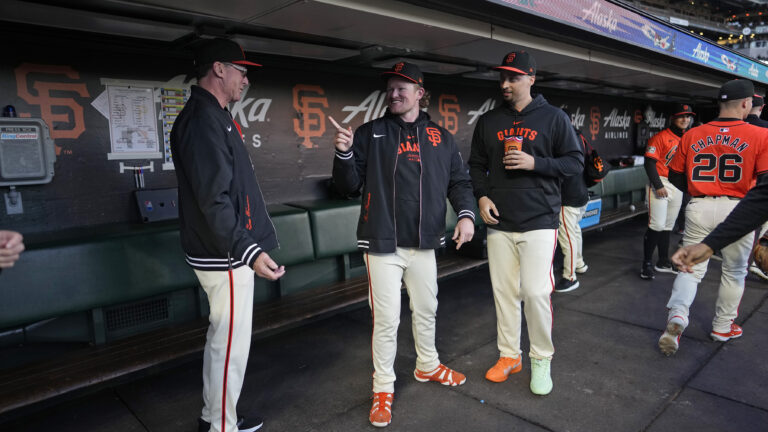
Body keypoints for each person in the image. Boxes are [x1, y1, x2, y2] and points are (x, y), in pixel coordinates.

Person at [330, 62, 476, 428]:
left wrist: (466, 215)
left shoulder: (441, 137)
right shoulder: (370, 133)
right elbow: (346, 186)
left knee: (427, 308)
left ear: (420, 93)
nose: (394, 94)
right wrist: (344, 152)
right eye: (390, 88)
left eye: (402, 88)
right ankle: (383, 388)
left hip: (424, 242)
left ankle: (427, 365)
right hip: (383, 242)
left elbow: (460, 182)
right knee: (387, 320)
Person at [171, 38, 285, 432]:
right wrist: (248, 251)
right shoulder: (202, 119)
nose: (246, 78)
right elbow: (214, 200)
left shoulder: (214, 114)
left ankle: (219, 417)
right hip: (224, 254)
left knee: (229, 342)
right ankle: (219, 426)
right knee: (228, 345)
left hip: (227, 248)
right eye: (241, 70)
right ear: (219, 69)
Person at [468, 50, 583, 395]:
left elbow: (575, 162)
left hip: (539, 219)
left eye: (513, 77)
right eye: (502, 77)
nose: (505, 83)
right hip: (499, 220)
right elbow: (474, 165)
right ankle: (509, 355)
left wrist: (536, 164)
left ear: (531, 78)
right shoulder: (489, 121)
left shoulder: (554, 118)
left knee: (534, 292)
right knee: (504, 294)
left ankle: (541, 357)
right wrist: (482, 195)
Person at [658, 79, 768, 356]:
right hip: (739, 209)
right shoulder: (761, 135)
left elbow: (673, 174)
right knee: (734, 271)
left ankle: (678, 316)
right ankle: (722, 326)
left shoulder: (693, 134)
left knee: (691, 267)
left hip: (699, 205)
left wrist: (697, 191)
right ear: (746, 104)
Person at [640, 104, 695, 279]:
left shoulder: (689, 138)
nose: (685, 119)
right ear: (673, 118)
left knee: (668, 226)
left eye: (688, 116)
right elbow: (649, 163)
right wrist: (657, 185)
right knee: (656, 224)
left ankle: (662, 261)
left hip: (677, 184)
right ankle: (646, 264)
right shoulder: (660, 137)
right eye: (681, 116)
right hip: (661, 182)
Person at [672, 178, 768, 272]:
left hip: (700, 200)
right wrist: (709, 245)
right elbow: (763, 192)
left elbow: (675, 175)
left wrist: (709, 245)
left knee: (691, 269)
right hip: (737, 201)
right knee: (734, 272)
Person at [555, 122, 589, 293]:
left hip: (569, 196)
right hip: (582, 193)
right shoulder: (579, 136)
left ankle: (570, 277)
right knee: (574, 232)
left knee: (568, 237)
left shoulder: (563, 139)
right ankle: (579, 263)